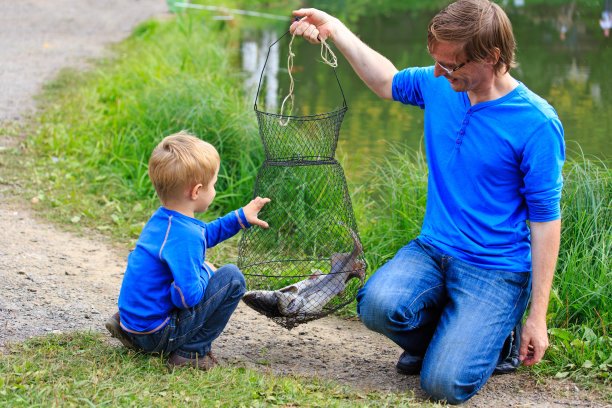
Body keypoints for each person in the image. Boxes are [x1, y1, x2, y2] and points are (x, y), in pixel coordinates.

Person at [290, 0, 564, 404]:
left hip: (495, 269)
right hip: (433, 249)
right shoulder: (442, 84)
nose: (438, 72)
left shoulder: (537, 124)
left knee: (442, 386)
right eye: (435, 62)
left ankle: (497, 339)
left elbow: (545, 221)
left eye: (451, 65)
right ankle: (450, 338)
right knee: (376, 306)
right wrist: (335, 27)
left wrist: (537, 318)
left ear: (491, 56)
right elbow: (387, 81)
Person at [105, 131, 270, 369]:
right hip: (157, 334)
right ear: (196, 191)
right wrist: (206, 271)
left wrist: (240, 217)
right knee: (233, 278)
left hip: (134, 322)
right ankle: (191, 352)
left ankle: (133, 332)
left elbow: (204, 234)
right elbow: (186, 297)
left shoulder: (164, 220)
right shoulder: (186, 236)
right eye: (213, 185)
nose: (214, 190)